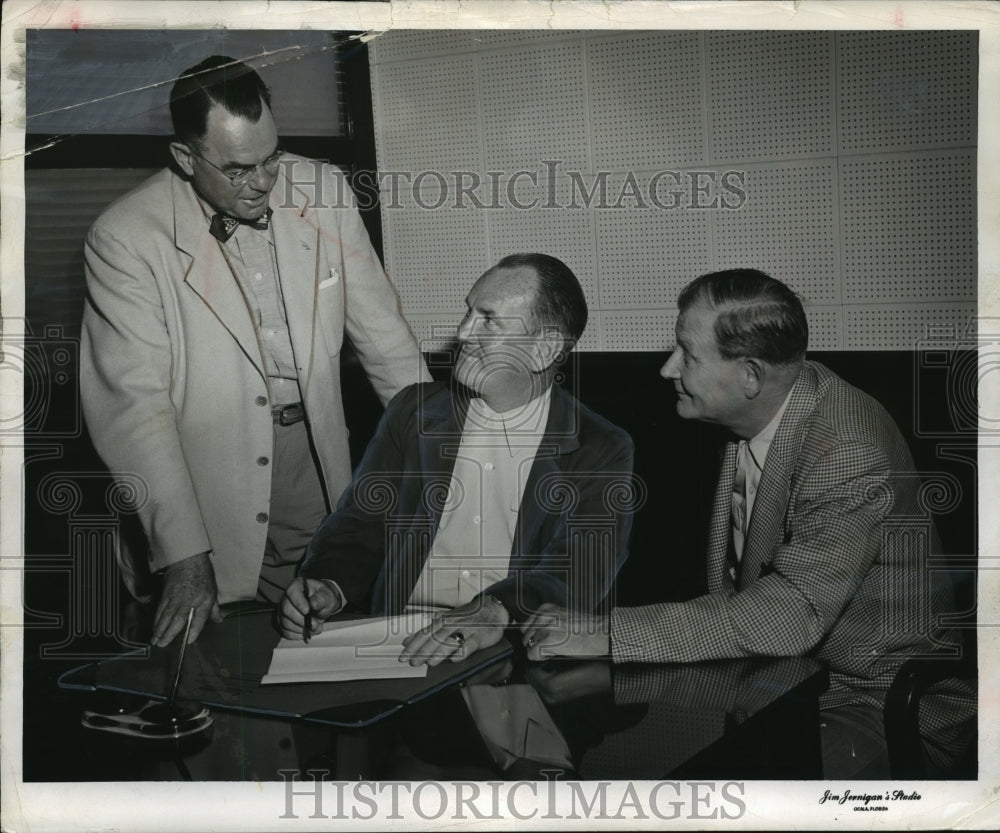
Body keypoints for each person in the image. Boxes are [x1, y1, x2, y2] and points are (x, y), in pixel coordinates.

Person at [523, 268, 973, 777]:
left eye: (688, 355)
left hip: (876, 704)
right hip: (782, 683)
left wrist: (609, 634)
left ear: (750, 376)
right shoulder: (760, 416)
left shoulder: (846, 450)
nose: (669, 369)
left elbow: (788, 612)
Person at [80, 56, 430, 647]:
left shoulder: (323, 191)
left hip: (315, 460)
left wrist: (439, 450)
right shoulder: (125, 238)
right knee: (214, 669)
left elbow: (384, 336)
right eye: (240, 169)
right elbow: (133, 411)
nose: (265, 182)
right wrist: (186, 558)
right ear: (186, 159)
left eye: (271, 157)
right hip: (197, 478)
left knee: (318, 643)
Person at [279, 253, 636, 666]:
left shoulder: (601, 445)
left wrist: (496, 609)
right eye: (468, 312)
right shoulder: (412, 413)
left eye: (489, 320)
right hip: (397, 641)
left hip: (513, 648)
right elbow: (362, 522)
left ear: (544, 349)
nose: (464, 332)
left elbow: (582, 567)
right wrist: (329, 583)